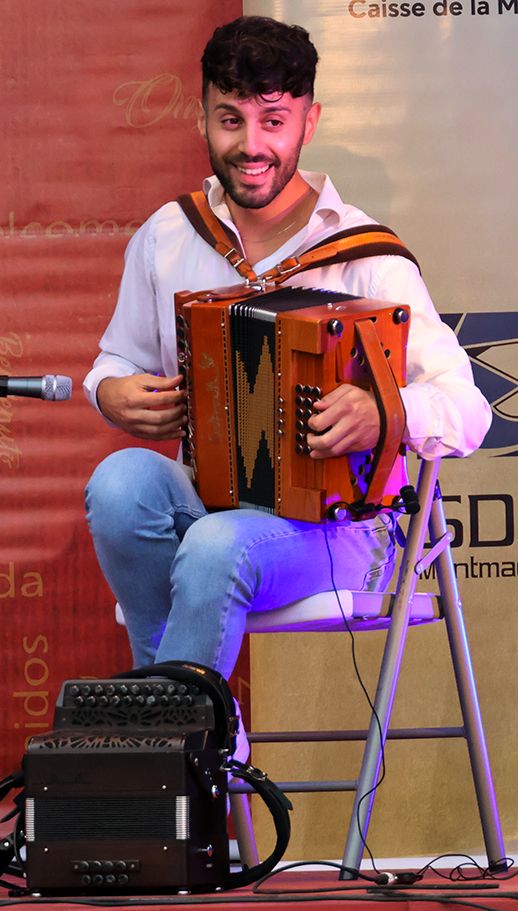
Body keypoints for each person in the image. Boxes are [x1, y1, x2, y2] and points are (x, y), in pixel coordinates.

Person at [82, 16, 489, 684]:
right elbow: (116, 361)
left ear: (309, 120)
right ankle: (195, 728)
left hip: (344, 531)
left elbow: (468, 409)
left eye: (273, 120)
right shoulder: (169, 236)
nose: (251, 144)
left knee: (215, 545)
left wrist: (383, 411)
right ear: (203, 118)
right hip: (211, 502)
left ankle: (179, 739)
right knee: (120, 483)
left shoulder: (365, 258)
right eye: (230, 119)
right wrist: (112, 391)